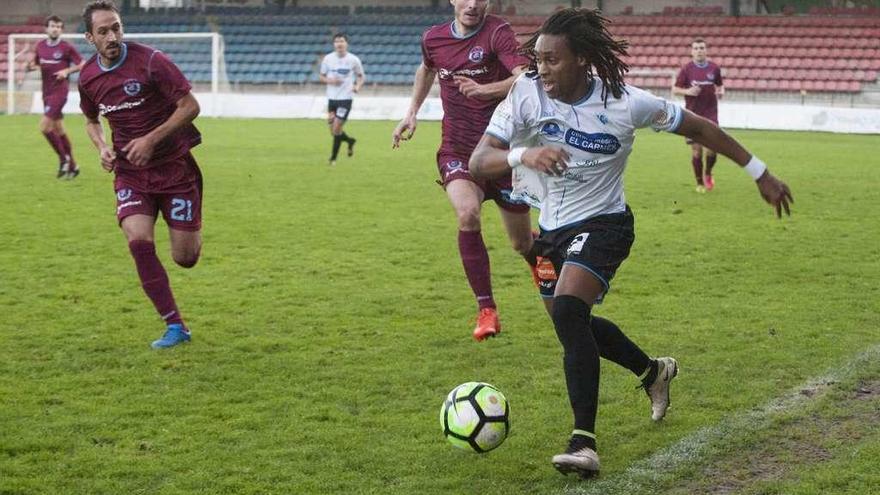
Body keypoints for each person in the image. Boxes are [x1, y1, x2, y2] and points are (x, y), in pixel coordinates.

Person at [470, 8, 793, 478]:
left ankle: (584, 442)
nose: (542, 69)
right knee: (573, 323)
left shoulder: (627, 102)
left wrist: (759, 172)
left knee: (567, 313)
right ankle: (653, 372)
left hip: (606, 224)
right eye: (538, 59)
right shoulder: (525, 96)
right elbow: (480, 161)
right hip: (552, 231)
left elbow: (701, 128)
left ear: (582, 59)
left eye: (553, 60)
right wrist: (526, 153)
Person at [392, 0, 542, 341]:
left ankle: (537, 257)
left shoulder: (497, 32)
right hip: (457, 150)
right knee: (467, 215)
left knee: (520, 243)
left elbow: (525, 79)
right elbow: (427, 68)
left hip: (500, 155)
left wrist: (484, 90)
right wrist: (411, 111)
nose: (473, 4)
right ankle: (487, 310)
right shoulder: (433, 38)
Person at [78, 0, 205, 349]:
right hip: (131, 173)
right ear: (90, 37)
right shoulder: (88, 77)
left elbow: (191, 106)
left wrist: (151, 139)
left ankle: (191, 223)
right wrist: (101, 147)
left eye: (116, 27)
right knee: (138, 242)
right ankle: (175, 326)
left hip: (175, 168)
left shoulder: (151, 61)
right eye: (103, 31)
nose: (112, 35)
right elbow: (91, 120)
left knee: (186, 258)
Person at [26, 15, 85, 179]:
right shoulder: (40, 46)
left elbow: (82, 64)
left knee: (45, 127)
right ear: (46, 28)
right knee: (59, 130)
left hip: (60, 92)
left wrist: (67, 71)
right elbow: (37, 64)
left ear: (61, 30)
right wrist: (31, 67)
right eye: (53, 26)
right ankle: (73, 166)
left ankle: (63, 158)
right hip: (46, 92)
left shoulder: (66, 47)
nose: (55, 29)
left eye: (58, 27)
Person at [672, 37, 724, 192]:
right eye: (696, 48)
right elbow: (675, 89)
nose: (699, 51)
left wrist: (721, 91)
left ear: (706, 50)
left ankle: (708, 173)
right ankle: (700, 183)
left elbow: (720, 85)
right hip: (692, 115)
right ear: (692, 51)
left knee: (712, 148)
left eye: (702, 48)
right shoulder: (687, 69)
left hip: (711, 114)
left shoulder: (714, 68)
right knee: (697, 150)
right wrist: (688, 91)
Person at [319, 33, 364, 166]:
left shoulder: (353, 60)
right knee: (333, 131)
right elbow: (321, 76)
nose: (339, 44)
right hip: (332, 99)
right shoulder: (328, 59)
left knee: (337, 127)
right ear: (334, 44)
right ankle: (350, 141)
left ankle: (333, 159)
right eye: (337, 41)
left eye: (342, 41)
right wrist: (330, 80)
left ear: (346, 43)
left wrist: (357, 86)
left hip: (346, 98)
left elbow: (361, 76)